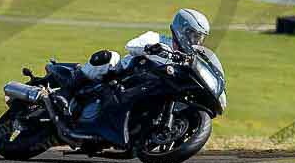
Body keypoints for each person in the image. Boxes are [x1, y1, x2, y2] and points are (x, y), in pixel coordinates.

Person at [68, 9, 213, 99]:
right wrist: (151, 48)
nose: (197, 42)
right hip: (123, 76)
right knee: (109, 57)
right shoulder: (156, 38)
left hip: (151, 90)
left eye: (200, 38)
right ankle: (66, 92)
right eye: (194, 36)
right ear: (183, 30)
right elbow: (130, 46)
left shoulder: (187, 60)